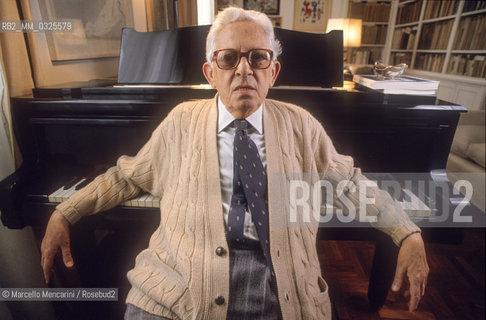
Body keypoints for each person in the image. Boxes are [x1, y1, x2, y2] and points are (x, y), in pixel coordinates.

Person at [41, 7, 429, 320]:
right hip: (178, 293)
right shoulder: (180, 121)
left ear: (272, 71)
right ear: (211, 72)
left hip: (283, 290)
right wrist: (65, 212)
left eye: (258, 58)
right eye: (228, 58)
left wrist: (407, 232)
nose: (244, 69)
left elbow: (349, 184)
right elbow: (125, 177)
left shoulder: (302, 125)